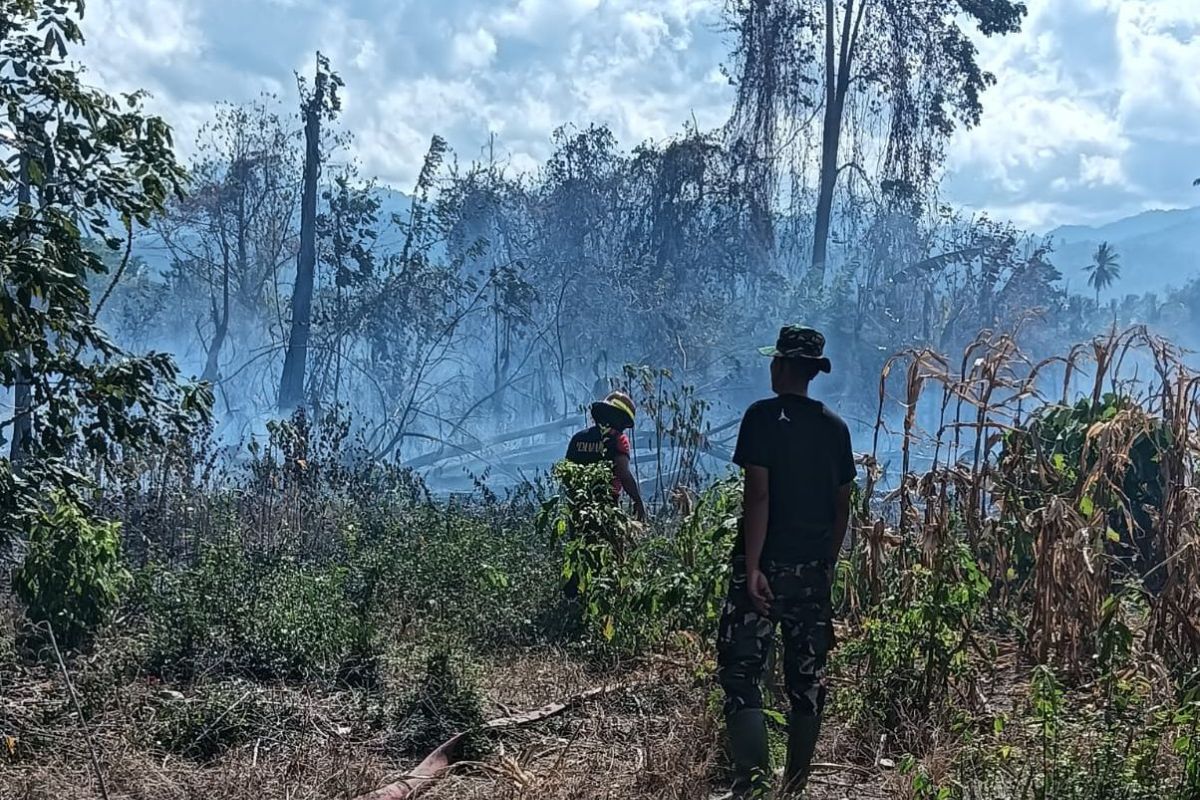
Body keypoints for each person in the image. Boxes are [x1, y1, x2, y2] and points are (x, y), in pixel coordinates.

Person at [717, 325, 855, 798]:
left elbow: (758, 495)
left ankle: (752, 786)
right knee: (807, 678)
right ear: (813, 372)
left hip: (765, 567)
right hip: (812, 571)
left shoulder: (761, 417)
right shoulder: (836, 428)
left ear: (781, 365)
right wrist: (826, 564)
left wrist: (754, 566)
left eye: (774, 362)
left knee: (741, 670)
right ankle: (793, 788)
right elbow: (842, 507)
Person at [564, 390, 647, 521]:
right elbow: (623, 473)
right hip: (606, 507)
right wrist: (638, 501)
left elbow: (566, 474)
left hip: (577, 506)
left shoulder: (577, 438)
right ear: (619, 419)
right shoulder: (619, 440)